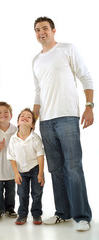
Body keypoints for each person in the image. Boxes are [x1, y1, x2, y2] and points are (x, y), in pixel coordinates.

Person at [32, 16, 94, 231]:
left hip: (67, 117)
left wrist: (89, 106)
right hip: (46, 122)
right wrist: (33, 119)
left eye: (45, 28)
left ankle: (82, 216)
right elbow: (39, 92)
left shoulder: (68, 49)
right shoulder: (36, 61)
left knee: (74, 167)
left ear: (53, 30)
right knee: (56, 169)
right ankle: (63, 212)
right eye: (38, 29)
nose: (42, 32)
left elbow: (85, 76)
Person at [7, 108, 44, 225]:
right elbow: (11, 158)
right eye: (22, 116)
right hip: (21, 170)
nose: (25, 117)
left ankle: (36, 214)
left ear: (32, 125)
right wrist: (16, 173)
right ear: (18, 122)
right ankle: (22, 214)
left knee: (37, 193)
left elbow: (40, 156)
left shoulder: (35, 138)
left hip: (35, 168)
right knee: (22, 193)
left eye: (29, 117)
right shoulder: (13, 139)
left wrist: (40, 174)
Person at [0, 102, 17, 221]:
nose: (3, 114)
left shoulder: (15, 129)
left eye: (6, 112)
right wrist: (0, 146)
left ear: (11, 115)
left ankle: (10, 208)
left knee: (11, 190)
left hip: (11, 167)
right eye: (0, 113)